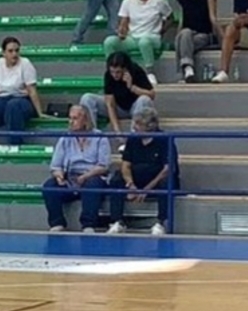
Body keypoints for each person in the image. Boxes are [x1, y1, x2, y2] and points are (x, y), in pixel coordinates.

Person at [106, 106, 178, 235]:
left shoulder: (165, 139)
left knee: (167, 181)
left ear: (151, 125)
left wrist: (147, 189)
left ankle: (162, 222)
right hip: (137, 177)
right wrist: (130, 185)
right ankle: (117, 221)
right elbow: (125, 165)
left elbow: (167, 169)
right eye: (135, 123)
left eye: (139, 124)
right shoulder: (133, 139)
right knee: (117, 178)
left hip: (157, 178)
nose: (135, 127)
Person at [42, 104, 110, 233]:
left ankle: (88, 224)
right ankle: (57, 223)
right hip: (70, 177)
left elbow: (103, 166)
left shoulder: (100, 137)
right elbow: (55, 165)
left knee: (93, 184)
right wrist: (59, 175)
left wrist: (85, 176)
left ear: (85, 119)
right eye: (70, 118)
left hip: (92, 176)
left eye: (75, 118)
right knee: (49, 186)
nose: (71, 122)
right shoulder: (65, 138)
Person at [81, 52, 155, 135]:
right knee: (87, 98)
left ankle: (135, 135)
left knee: (144, 99)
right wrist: (117, 131)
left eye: (118, 72)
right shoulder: (109, 75)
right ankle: (91, 134)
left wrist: (132, 87)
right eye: (112, 72)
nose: (115, 75)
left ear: (125, 69)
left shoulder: (136, 71)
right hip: (118, 107)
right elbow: (110, 104)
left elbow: (152, 95)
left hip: (136, 107)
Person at [174, 0, 221, 82]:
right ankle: (188, 69)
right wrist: (177, 38)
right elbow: (181, 21)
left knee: (185, 38)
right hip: (187, 34)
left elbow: (213, 18)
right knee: (184, 34)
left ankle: (185, 71)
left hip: (203, 34)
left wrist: (221, 37)